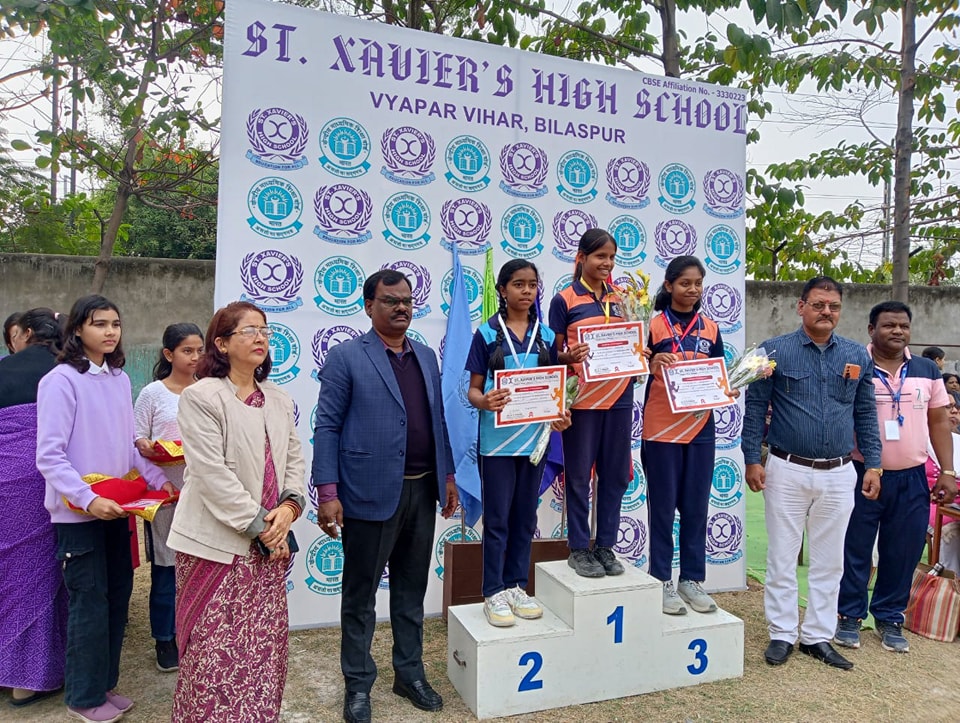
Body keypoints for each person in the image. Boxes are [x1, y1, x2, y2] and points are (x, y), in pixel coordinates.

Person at [312, 269, 459, 723]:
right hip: (367, 492)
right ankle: (358, 684)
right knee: (360, 596)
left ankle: (409, 674)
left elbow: (437, 420)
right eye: (391, 301)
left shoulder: (426, 356)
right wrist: (328, 490)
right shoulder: (346, 357)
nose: (401, 308)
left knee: (412, 591)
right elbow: (327, 426)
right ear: (369, 306)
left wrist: (448, 475)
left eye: (407, 301)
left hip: (422, 490)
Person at [36, 295, 173, 723]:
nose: (110, 331)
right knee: (89, 604)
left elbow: (128, 447)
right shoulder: (60, 381)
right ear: (77, 329)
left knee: (116, 599)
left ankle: (104, 685)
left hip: (118, 509)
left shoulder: (118, 378)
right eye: (99, 324)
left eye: (115, 323)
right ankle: (83, 696)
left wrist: (158, 480)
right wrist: (89, 498)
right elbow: (50, 457)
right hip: (80, 515)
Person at [167, 302, 305, 722]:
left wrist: (290, 507)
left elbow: (294, 460)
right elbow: (211, 474)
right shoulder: (201, 396)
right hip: (215, 545)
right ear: (222, 344)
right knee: (212, 651)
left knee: (261, 648)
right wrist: (263, 526)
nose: (260, 337)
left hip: (268, 547)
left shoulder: (278, 398)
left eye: (264, 330)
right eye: (248, 330)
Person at [742, 277, 882, 672]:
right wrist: (752, 458)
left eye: (833, 306)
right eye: (818, 304)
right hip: (786, 469)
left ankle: (817, 636)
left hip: (839, 472)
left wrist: (873, 463)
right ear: (801, 306)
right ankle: (782, 633)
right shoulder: (773, 351)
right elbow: (755, 408)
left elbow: (866, 413)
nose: (826, 312)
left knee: (830, 561)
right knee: (782, 556)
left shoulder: (857, 356)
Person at [835, 301, 955, 654]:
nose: (898, 331)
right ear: (871, 330)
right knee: (855, 547)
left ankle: (889, 616)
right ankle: (849, 615)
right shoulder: (854, 364)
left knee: (902, 550)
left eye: (903, 325)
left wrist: (947, 471)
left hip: (911, 476)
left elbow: (939, 421)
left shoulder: (926, 370)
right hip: (861, 472)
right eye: (889, 325)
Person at [465, 260, 571, 628]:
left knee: (525, 519)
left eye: (532, 284)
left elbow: (555, 389)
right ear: (502, 290)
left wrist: (560, 414)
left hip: (534, 442)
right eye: (518, 284)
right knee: (497, 520)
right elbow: (473, 390)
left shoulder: (547, 336)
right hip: (497, 445)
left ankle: (515, 586)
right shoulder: (486, 334)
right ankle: (493, 591)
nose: (526, 291)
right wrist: (485, 401)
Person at [642, 256, 728, 616]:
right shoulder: (651, 324)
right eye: (685, 283)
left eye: (698, 284)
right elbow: (633, 369)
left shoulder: (711, 328)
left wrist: (728, 387)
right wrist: (650, 364)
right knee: (663, 509)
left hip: (700, 428)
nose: (692, 290)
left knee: (696, 508)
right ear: (669, 285)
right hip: (661, 427)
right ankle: (661, 578)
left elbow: (720, 372)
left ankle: (691, 579)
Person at [548, 228, 632, 578]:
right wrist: (568, 357)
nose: (607, 263)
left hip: (620, 398)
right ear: (581, 257)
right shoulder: (564, 299)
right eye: (600, 256)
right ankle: (579, 547)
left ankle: (605, 546)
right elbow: (552, 354)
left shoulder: (623, 297)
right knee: (580, 476)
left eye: (611, 257)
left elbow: (633, 339)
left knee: (615, 475)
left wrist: (639, 354)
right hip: (582, 401)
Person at [0, 308, 67, 707]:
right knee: (37, 574)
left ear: (25, 333)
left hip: (5, 480)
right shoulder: (66, 372)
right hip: (41, 481)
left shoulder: (3, 368)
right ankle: (25, 679)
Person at [133, 323, 204, 673]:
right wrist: (145, 446)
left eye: (200, 350)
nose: (195, 357)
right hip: (165, 494)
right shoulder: (152, 394)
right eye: (187, 351)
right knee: (167, 567)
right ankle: (165, 638)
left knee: (200, 566)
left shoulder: (208, 390)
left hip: (202, 490)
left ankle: (195, 633)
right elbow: (136, 440)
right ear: (168, 354)